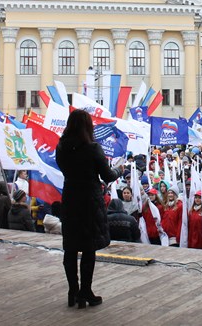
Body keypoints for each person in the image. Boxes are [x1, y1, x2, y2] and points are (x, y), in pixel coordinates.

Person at [56, 109, 121, 309]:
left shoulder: (61, 147)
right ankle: (86, 291)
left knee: (71, 246)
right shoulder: (92, 148)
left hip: (70, 198)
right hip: (89, 201)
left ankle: (72, 291)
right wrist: (120, 169)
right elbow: (108, 175)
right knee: (88, 247)